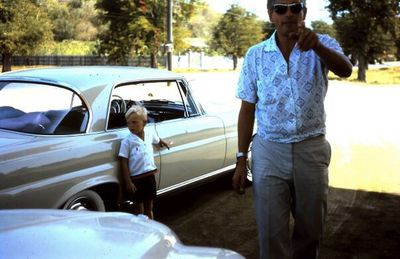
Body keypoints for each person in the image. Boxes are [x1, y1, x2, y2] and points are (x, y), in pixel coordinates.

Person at [232, 0, 352, 258]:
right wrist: (241, 159)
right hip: (269, 150)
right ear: (270, 15)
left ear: (304, 13)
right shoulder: (256, 54)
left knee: (311, 230)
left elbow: (346, 69)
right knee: (270, 231)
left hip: (311, 148)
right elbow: (247, 108)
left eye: (295, 7)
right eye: (280, 8)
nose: (288, 13)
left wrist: (318, 46)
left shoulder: (322, 44)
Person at [119, 105, 170, 219]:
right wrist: (128, 182)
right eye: (128, 123)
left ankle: (150, 225)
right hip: (136, 180)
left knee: (149, 207)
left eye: (134, 122)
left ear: (144, 123)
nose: (130, 126)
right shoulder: (127, 141)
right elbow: (123, 162)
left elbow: (157, 140)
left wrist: (163, 142)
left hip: (149, 176)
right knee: (139, 209)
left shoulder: (149, 133)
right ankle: (140, 230)